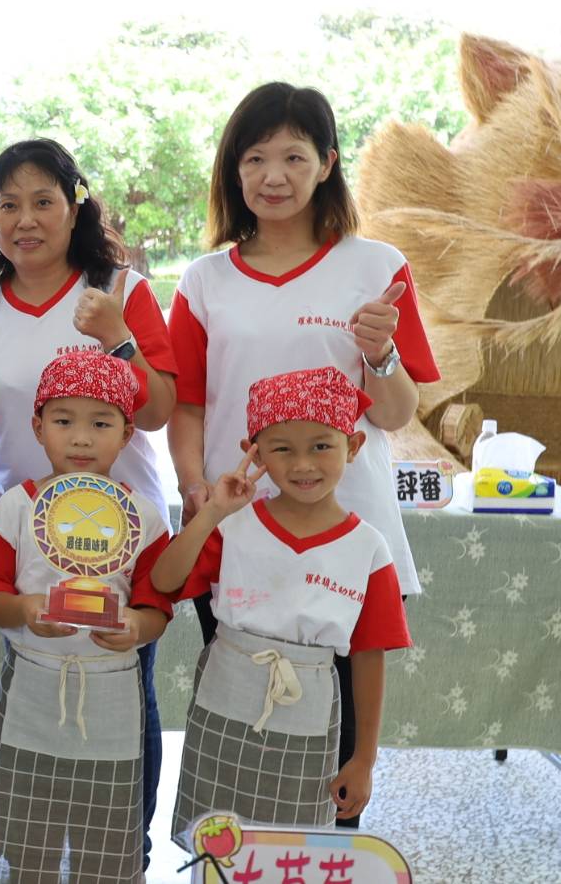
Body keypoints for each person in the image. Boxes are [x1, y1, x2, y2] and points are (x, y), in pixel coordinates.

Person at [167, 83, 439, 825]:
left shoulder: (376, 265)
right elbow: (188, 403)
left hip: (348, 523)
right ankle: (228, 857)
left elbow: (396, 412)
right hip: (237, 526)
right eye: (254, 158)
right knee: (238, 708)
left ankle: (322, 852)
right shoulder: (204, 279)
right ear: (233, 171)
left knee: (339, 728)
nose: (273, 175)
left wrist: (378, 352)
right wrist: (194, 488)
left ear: (327, 162)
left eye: (292, 155)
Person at [0, 138, 178, 863]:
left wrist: (117, 339)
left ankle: (124, 848)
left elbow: (160, 408)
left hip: (120, 530)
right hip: (21, 535)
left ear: (73, 206)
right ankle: (29, 845)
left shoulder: (122, 288)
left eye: (42, 200)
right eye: (5, 204)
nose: (24, 219)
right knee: (32, 680)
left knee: (122, 680)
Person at [152, 367, 411, 840]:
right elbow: (164, 581)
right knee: (213, 848)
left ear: (352, 446)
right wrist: (212, 512)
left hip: (307, 729)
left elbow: (369, 658)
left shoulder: (369, 549)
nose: (302, 465)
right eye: (282, 448)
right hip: (221, 715)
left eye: (321, 445)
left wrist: (364, 760)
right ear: (256, 453)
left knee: (290, 850)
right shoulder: (234, 526)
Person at [0, 353, 173, 883]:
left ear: (127, 433)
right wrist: (23, 610)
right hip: (31, 690)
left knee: (105, 841)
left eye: (100, 423)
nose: (81, 439)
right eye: (63, 421)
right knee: (26, 838)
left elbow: (157, 604)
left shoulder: (144, 517)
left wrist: (137, 627)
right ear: (37, 429)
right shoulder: (17, 506)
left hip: (113, 698)